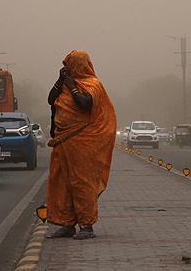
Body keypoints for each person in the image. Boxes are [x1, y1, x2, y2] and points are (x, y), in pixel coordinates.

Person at [45, 50, 117, 240]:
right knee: (61, 182)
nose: (66, 68)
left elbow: (84, 104)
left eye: (69, 65)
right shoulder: (65, 85)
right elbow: (51, 100)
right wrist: (61, 80)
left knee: (81, 182)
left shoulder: (94, 84)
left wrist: (70, 83)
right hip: (63, 141)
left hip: (84, 141)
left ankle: (87, 225)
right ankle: (66, 224)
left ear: (79, 65)